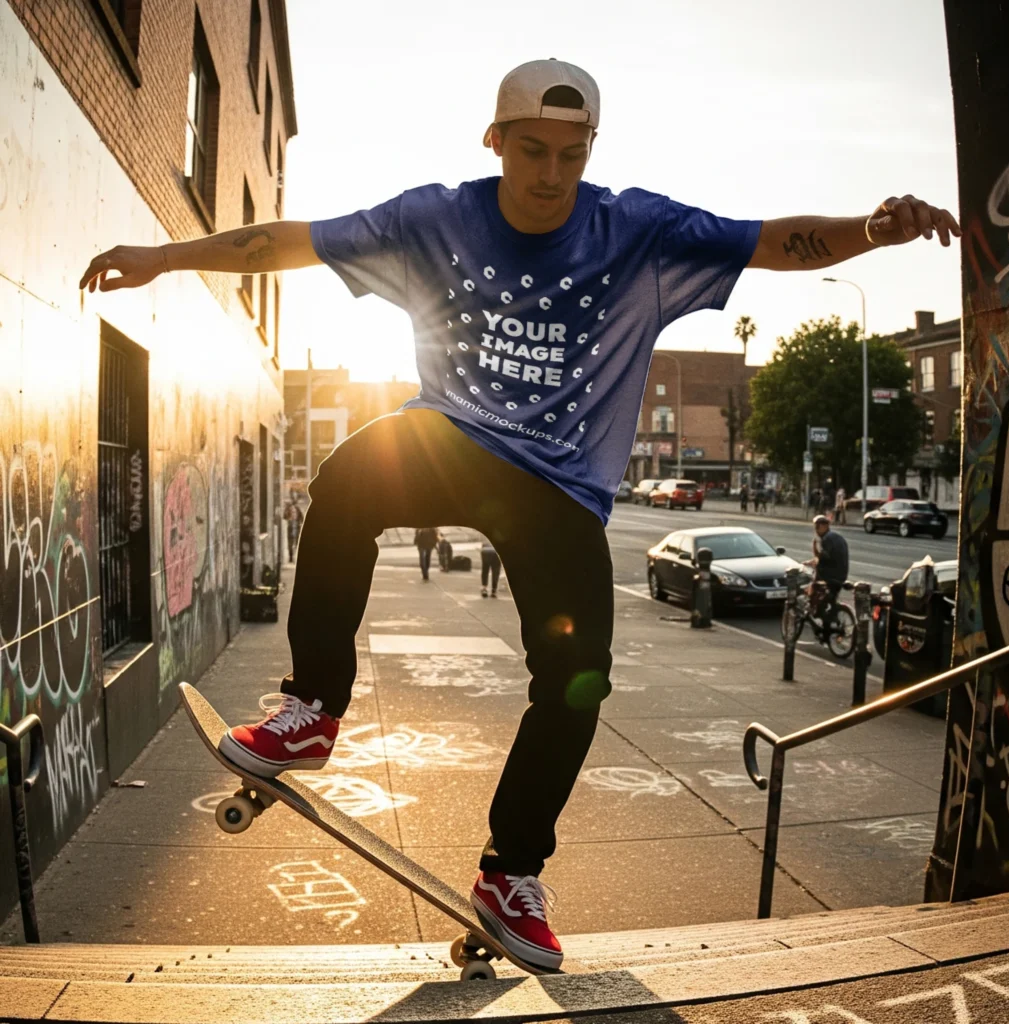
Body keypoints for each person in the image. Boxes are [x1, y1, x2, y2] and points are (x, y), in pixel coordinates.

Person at [79, 55, 959, 971]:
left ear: (590, 152)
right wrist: (167, 257)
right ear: (494, 142)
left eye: (571, 157)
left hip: (562, 483)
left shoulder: (638, 230)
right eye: (531, 151)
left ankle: (511, 874)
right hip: (452, 435)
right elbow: (288, 242)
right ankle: (312, 710)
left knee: (580, 677)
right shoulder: (435, 218)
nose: (549, 176)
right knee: (347, 481)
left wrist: (869, 230)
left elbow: (769, 241)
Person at [809, 513, 849, 629]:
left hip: (831, 576)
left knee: (815, 587)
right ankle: (830, 616)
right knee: (830, 598)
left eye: (818, 527)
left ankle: (819, 614)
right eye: (815, 527)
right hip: (841, 575)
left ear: (824, 526)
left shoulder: (827, 539)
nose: (816, 530)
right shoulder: (836, 537)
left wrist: (815, 552)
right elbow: (831, 557)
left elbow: (825, 556)